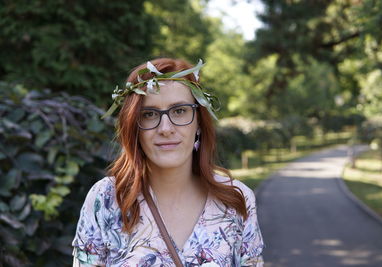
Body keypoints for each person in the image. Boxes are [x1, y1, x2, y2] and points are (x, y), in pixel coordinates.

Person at [71, 58, 264, 266]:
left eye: (179, 111)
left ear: (198, 122)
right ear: (134, 127)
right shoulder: (107, 199)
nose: (165, 128)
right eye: (150, 114)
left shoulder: (236, 200)